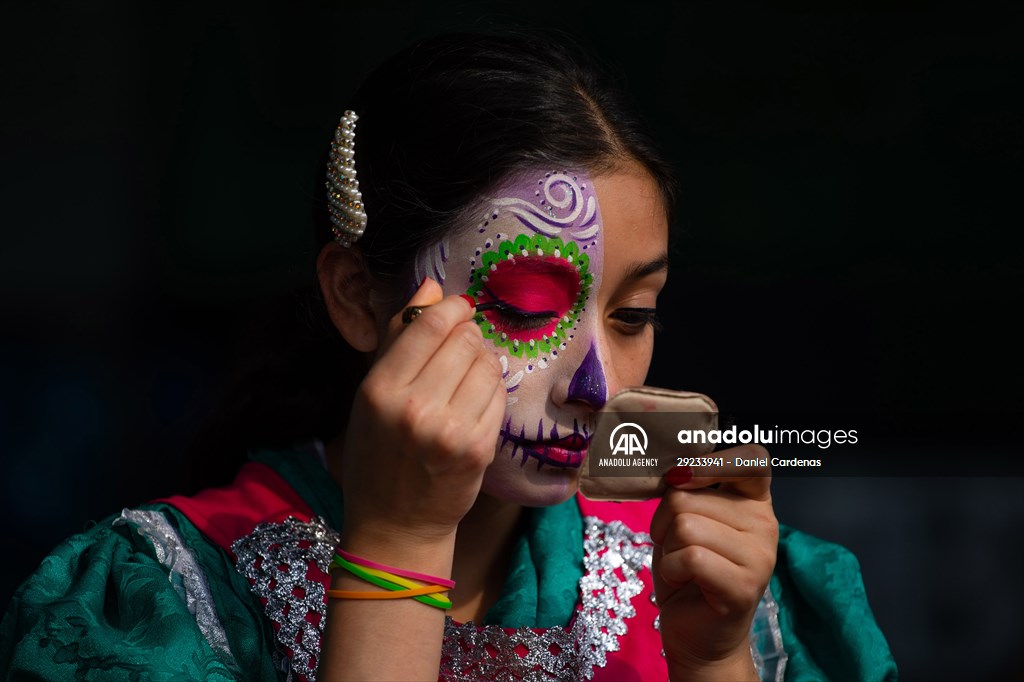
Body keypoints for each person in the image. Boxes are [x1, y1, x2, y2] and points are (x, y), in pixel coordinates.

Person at [1, 33, 897, 681]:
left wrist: (714, 662)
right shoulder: (166, 600)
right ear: (359, 296)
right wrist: (398, 546)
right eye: (524, 306)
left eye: (633, 314)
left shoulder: (726, 590)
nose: (599, 385)